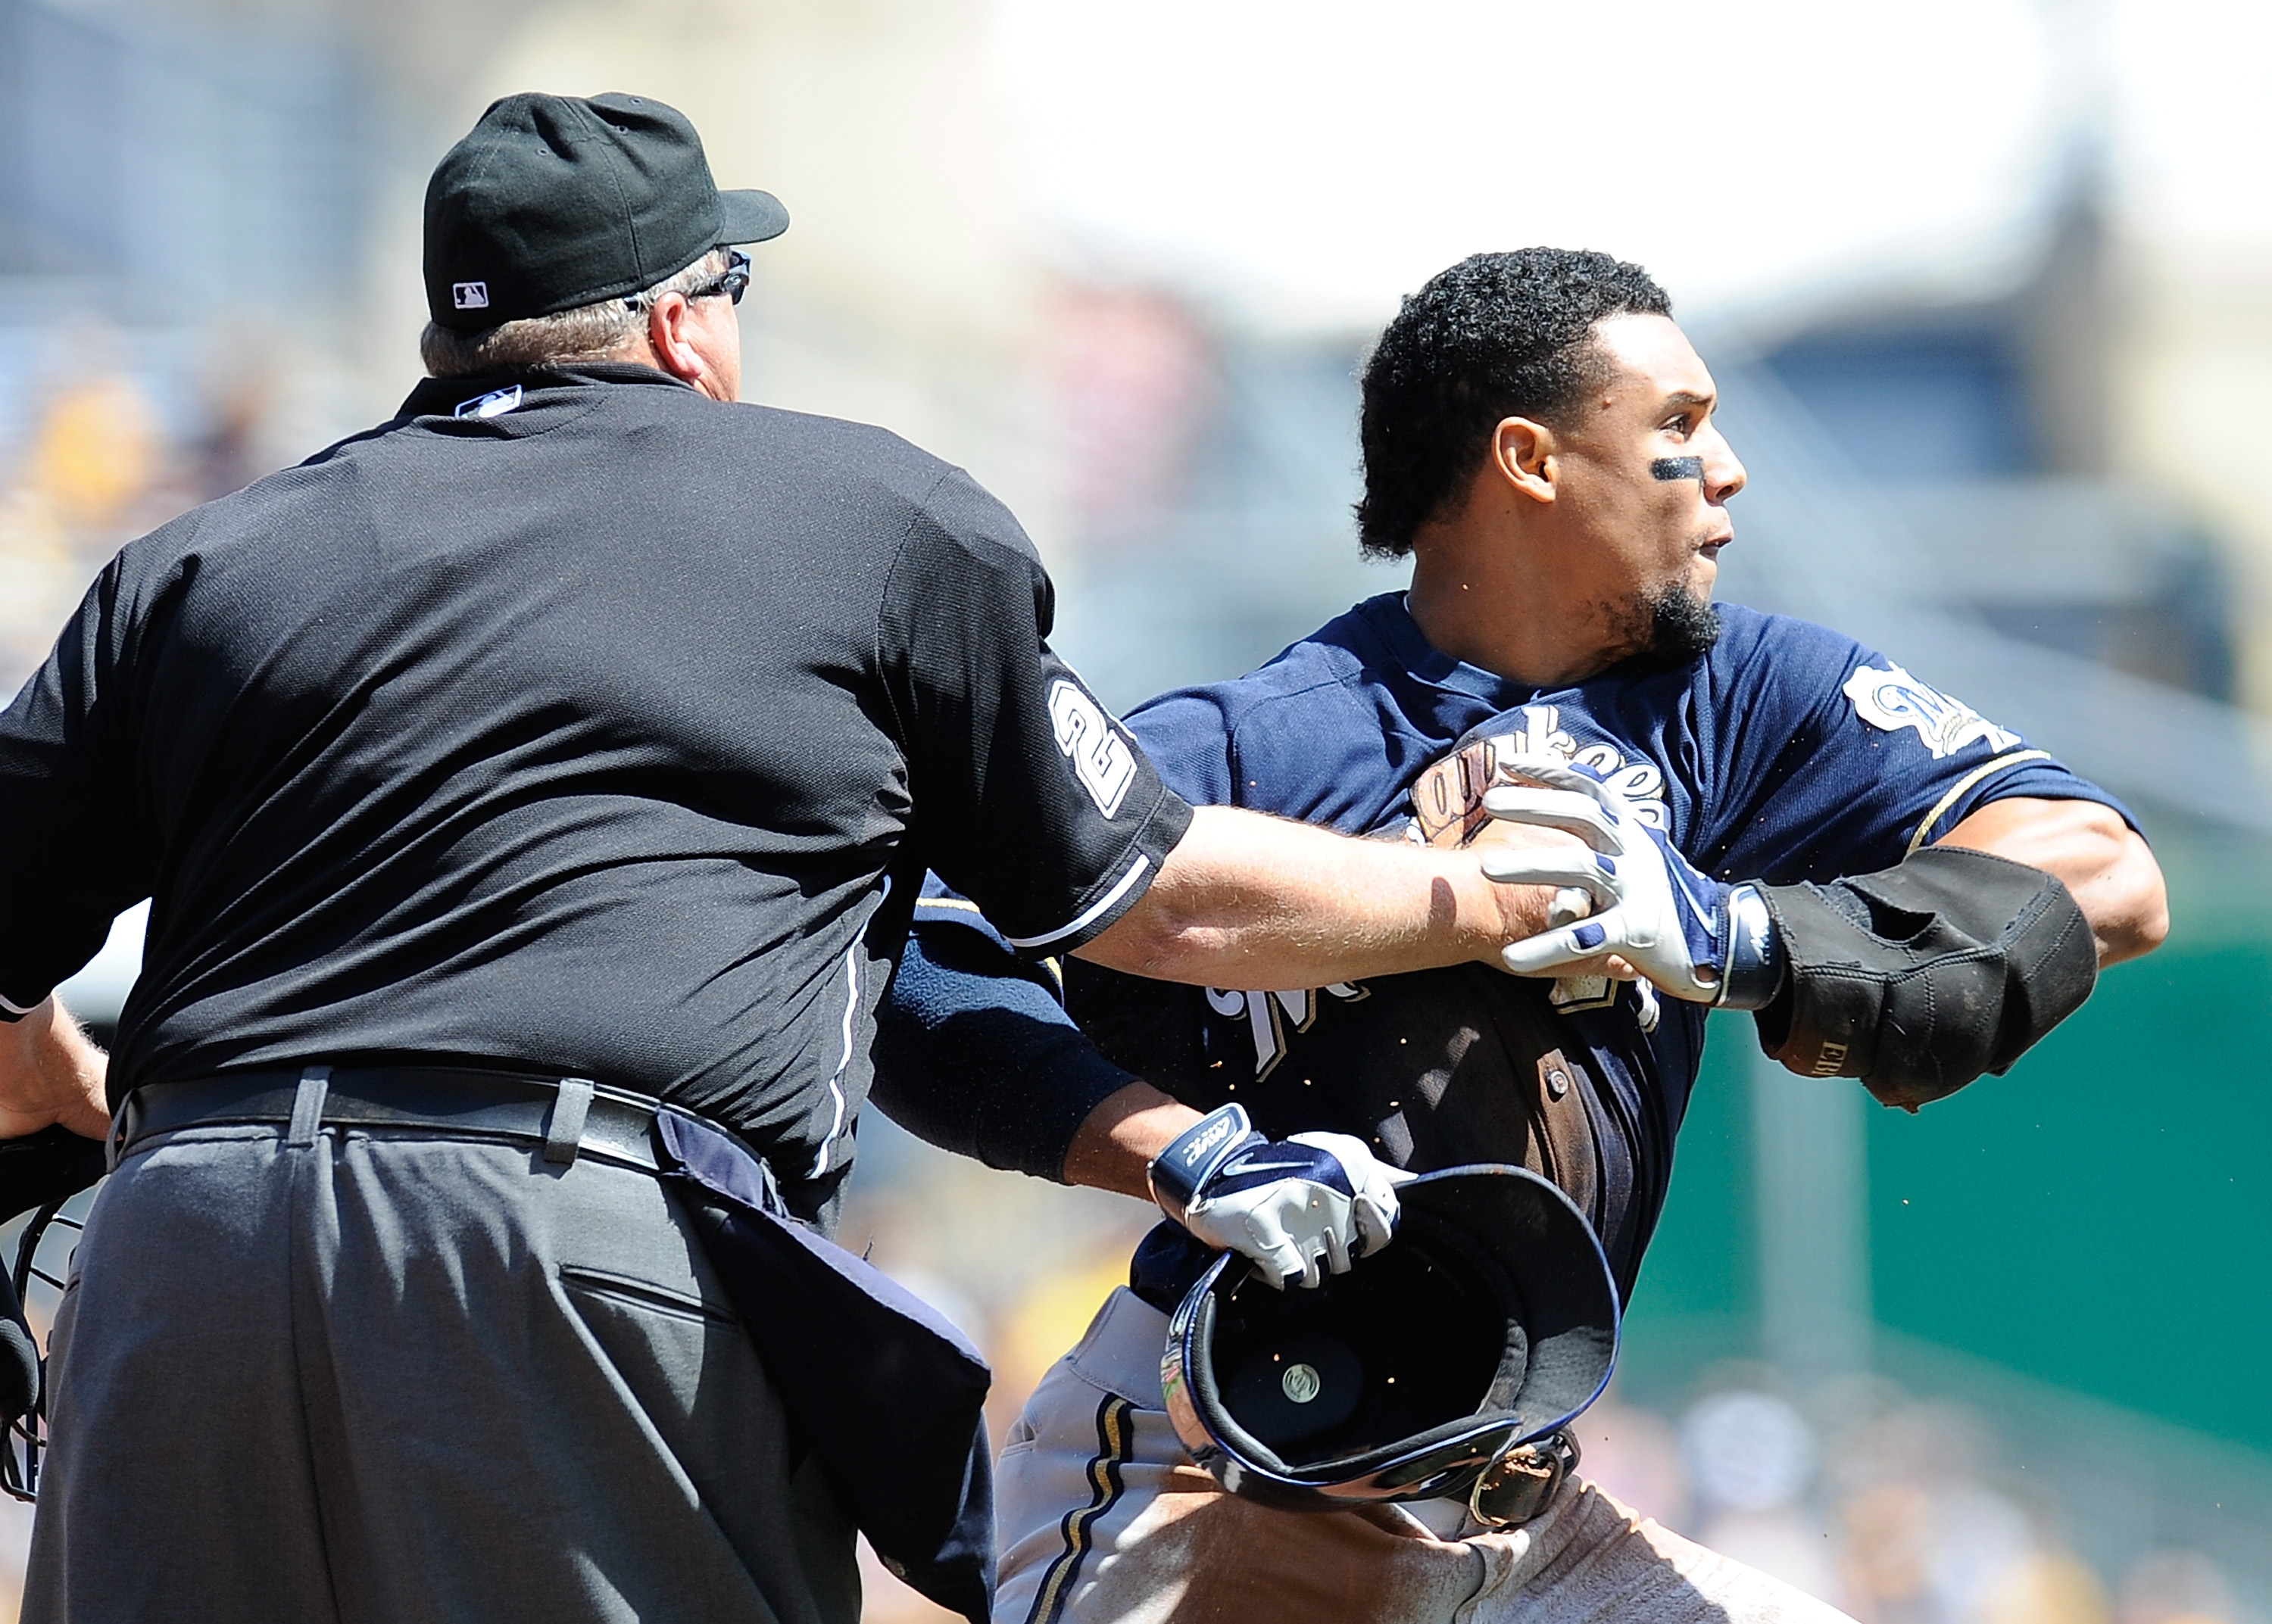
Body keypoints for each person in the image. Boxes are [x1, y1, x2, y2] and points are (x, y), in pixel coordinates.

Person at [0, 99, 1581, 1624]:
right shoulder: (873, 516)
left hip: (176, 1240)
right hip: (559, 1233)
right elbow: (1153, 894)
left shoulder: (200, 560)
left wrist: (60, 1066)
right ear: (687, 322)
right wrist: (1493, 894)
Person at [872, 248, 2168, 1623]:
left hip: (1525, 1512)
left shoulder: (1736, 700)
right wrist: (1182, 1154)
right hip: (1216, 1473)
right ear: (1529, 460)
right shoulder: (1268, 737)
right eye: (1676, 423)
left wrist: (1746, 933)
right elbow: (922, 960)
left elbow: (2105, 874)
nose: (1726, 468)